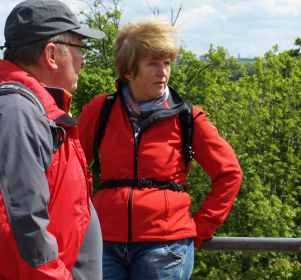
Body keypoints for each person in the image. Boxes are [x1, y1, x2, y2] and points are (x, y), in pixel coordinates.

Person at [77, 16, 243, 280]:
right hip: (104, 242)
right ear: (129, 71)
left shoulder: (188, 117)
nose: (163, 71)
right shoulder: (101, 109)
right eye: (153, 63)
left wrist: (200, 228)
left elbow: (230, 173)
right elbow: (69, 165)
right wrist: (84, 216)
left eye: (166, 62)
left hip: (166, 246)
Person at [0, 0, 105, 279]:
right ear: (51, 54)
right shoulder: (14, 115)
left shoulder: (29, 111)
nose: (83, 60)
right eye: (79, 48)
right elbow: (21, 235)